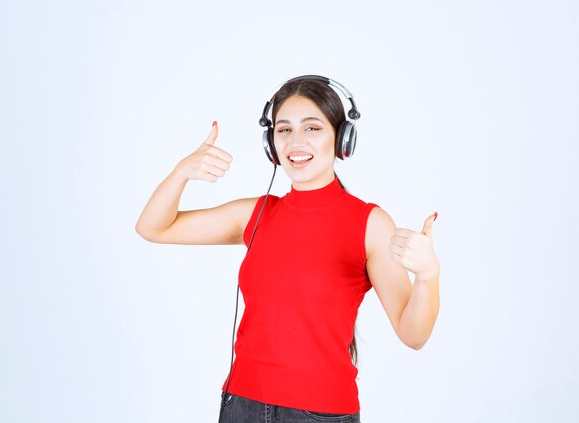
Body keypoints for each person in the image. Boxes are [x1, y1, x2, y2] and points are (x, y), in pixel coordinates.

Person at [135, 75, 441, 422]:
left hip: (321, 413)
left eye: (312, 128)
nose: (296, 142)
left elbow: (413, 334)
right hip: (242, 405)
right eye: (284, 130)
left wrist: (428, 275)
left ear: (342, 139)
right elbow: (153, 227)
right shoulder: (256, 212)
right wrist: (181, 173)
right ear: (271, 142)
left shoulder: (370, 223)